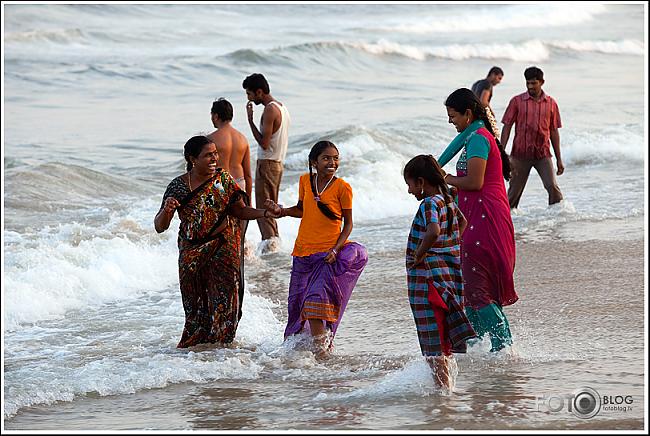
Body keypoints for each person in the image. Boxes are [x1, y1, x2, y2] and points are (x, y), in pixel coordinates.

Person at [154, 135, 277, 348]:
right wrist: (167, 210)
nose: (214, 159)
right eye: (208, 155)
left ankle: (220, 357)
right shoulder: (178, 187)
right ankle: (195, 356)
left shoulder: (224, 181)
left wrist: (265, 213)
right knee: (196, 313)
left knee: (226, 307)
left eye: (215, 154)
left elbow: (239, 210)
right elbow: (159, 226)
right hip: (192, 257)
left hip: (223, 250)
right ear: (193, 159)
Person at [263, 140, 368, 359]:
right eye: (326, 158)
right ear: (314, 162)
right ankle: (311, 355)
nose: (332, 162)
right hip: (302, 253)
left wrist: (336, 249)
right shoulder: (305, 181)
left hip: (327, 256)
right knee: (298, 305)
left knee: (315, 303)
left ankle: (322, 356)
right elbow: (302, 210)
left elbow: (348, 224)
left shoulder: (342, 188)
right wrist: (280, 211)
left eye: (335, 158)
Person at [437, 88, 518, 353]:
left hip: (485, 220)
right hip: (473, 218)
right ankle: (480, 349)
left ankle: (504, 349)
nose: (451, 121)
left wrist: (445, 178)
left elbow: (474, 181)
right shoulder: (475, 136)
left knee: (478, 289)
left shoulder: (478, 139)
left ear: (468, 113)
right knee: (470, 289)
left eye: (453, 116)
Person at [403, 154, 476, 390]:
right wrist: (449, 247)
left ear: (421, 182)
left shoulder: (430, 203)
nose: (409, 191)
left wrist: (420, 254)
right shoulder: (448, 200)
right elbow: (463, 223)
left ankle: (442, 391)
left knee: (432, 338)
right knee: (442, 337)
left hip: (428, 281)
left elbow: (433, 231)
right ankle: (446, 387)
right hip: (447, 276)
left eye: (410, 184)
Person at [207, 98, 253, 312]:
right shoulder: (243, 139)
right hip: (241, 188)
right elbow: (249, 175)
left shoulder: (211, 140)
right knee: (238, 245)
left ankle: (219, 294)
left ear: (216, 116)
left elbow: (207, 174)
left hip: (222, 189)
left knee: (218, 242)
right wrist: (249, 203)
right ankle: (238, 293)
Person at [500, 66, 564, 209]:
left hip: (543, 155)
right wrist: (501, 152)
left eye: (534, 83)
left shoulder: (551, 103)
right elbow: (507, 126)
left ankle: (558, 220)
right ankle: (507, 222)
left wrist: (559, 159)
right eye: (528, 83)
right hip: (520, 156)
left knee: (553, 187)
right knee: (513, 194)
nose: (530, 86)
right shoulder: (517, 101)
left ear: (542, 82)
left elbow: (554, 131)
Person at [242, 73, 291, 252]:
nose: (248, 98)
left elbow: (264, 142)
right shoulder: (282, 107)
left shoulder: (269, 110)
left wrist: (250, 121)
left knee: (264, 209)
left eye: (249, 94)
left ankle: (270, 247)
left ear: (259, 92)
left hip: (268, 163)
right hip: (277, 163)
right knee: (271, 206)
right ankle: (274, 245)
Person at [471, 66, 504, 139]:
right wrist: (492, 115)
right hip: (481, 117)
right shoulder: (488, 84)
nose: (499, 81)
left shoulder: (476, 83)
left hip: (472, 117)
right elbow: (484, 102)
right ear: (492, 75)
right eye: (499, 78)